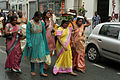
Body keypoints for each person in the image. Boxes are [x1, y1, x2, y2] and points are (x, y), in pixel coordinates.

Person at [22, 11, 49, 77]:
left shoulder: (42, 23)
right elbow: (28, 34)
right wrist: (29, 43)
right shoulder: (29, 23)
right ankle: (32, 70)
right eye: (38, 17)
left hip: (40, 41)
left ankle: (41, 71)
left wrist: (44, 42)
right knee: (33, 56)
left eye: (40, 18)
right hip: (33, 41)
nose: (38, 19)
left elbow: (44, 33)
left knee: (42, 55)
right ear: (34, 16)